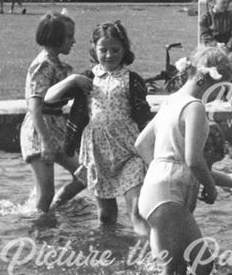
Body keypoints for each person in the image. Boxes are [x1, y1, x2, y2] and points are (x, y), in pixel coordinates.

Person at [134, 45, 232, 275]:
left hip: (155, 188)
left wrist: (159, 170)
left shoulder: (170, 101)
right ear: (206, 79)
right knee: (198, 264)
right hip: (169, 192)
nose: (219, 96)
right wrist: (210, 188)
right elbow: (193, 159)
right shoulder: (194, 106)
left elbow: (141, 144)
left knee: (180, 268)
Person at [44, 21, 152, 234]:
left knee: (137, 209)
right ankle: (110, 251)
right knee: (106, 215)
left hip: (129, 151)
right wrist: (73, 79)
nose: (109, 55)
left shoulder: (132, 80)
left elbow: (143, 116)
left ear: (124, 50)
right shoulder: (87, 78)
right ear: (94, 49)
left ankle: (147, 254)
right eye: (103, 50)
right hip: (98, 152)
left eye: (115, 50)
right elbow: (48, 98)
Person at [19, 11, 86, 213]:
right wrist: (45, 142)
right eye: (69, 36)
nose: (73, 41)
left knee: (87, 175)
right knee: (45, 192)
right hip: (40, 131)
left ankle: (56, 206)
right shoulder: (43, 65)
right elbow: (34, 105)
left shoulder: (58, 65)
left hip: (57, 128)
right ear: (56, 38)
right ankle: (38, 229)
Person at [199, 0, 232, 67]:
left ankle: (228, 78)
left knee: (231, 58)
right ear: (215, 1)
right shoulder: (206, 17)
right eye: (223, 2)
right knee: (207, 59)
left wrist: (228, 46)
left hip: (229, 50)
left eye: (228, 3)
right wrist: (216, 45)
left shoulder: (231, 17)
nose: (226, 5)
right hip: (211, 49)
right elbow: (205, 36)